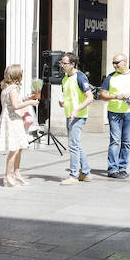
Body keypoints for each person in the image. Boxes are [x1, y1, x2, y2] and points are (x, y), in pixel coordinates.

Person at [100, 53, 130, 178]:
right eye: (113, 63)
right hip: (114, 112)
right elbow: (102, 95)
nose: (114, 65)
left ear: (125, 62)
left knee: (126, 142)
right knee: (115, 141)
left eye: (117, 63)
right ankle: (112, 169)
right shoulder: (110, 77)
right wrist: (115, 96)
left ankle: (122, 168)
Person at [0, 64, 39, 187]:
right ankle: (8, 176)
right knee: (14, 148)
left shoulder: (9, 88)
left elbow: (14, 102)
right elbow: (15, 106)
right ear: (17, 75)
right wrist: (30, 102)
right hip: (12, 119)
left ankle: (16, 173)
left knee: (19, 146)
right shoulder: (12, 89)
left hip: (13, 118)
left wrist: (26, 98)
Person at [57, 52, 94, 185]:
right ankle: (86, 172)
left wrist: (76, 110)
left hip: (78, 116)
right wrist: (62, 103)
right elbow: (68, 97)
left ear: (72, 64)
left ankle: (73, 175)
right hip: (70, 115)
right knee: (76, 144)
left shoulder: (80, 77)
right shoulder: (65, 78)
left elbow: (90, 97)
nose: (62, 65)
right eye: (61, 63)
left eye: (65, 63)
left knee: (73, 145)